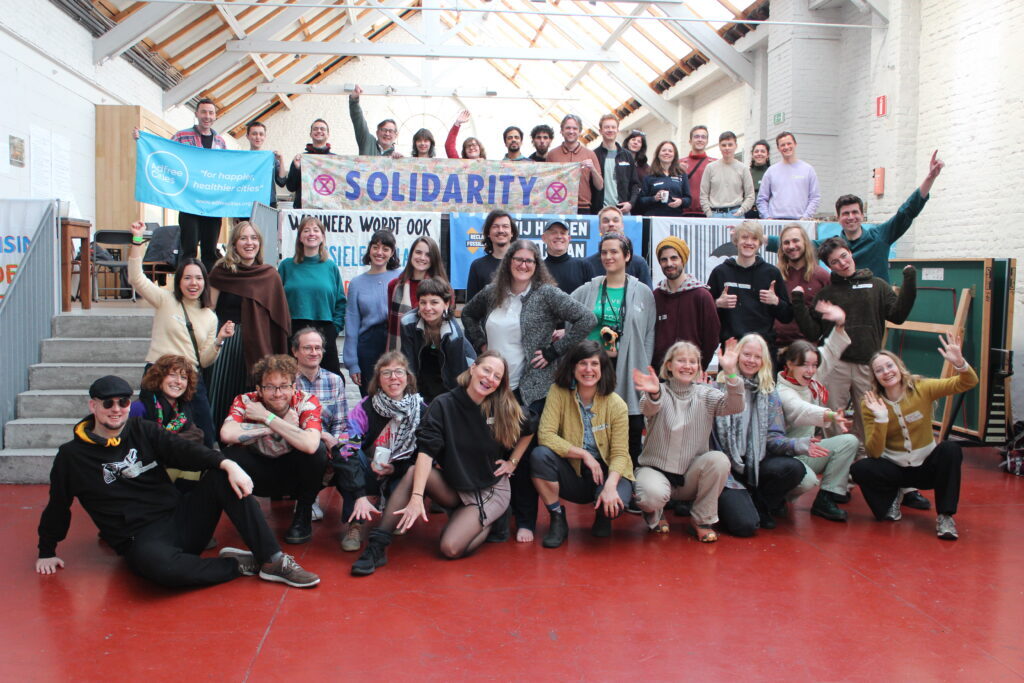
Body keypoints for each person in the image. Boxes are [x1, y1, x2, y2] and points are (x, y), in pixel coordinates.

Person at [36, 375, 319, 588]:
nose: (116, 409)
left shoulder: (141, 429)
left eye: (123, 402)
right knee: (162, 572)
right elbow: (58, 504)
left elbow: (183, 450)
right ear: (93, 405)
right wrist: (46, 551)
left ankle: (272, 559)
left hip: (180, 519)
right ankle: (237, 565)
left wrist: (227, 463)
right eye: (107, 403)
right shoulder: (72, 457)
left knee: (222, 475)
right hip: (141, 539)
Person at [462, 241, 596, 541]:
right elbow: (468, 314)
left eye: (530, 261)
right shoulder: (494, 292)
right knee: (492, 452)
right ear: (509, 261)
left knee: (521, 457)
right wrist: (480, 343)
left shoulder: (546, 294)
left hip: (530, 387)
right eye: (518, 259)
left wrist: (554, 351)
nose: (523, 265)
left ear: (537, 266)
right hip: (494, 387)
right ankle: (497, 517)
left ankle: (526, 521)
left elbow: (586, 319)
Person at [352, 352, 528, 574]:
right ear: (473, 368)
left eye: (497, 376)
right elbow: (426, 453)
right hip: (457, 486)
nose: (490, 378)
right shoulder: (443, 405)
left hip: (489, 489)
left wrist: (513, 462)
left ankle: (491, 524)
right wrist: (417, 497)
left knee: (450, 548)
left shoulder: (501, 406)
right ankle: (377, 545)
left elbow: (530, 427)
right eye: (486, 370)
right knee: (413, 472)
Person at [791, 238, 918, 482]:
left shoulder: (877, 286)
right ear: (829, 266)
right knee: (832, 419)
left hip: (868, 365)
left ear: (850, 253)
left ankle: (864, 469)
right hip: (835, 366)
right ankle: (838, 472)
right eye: (834, 262)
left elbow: (898, 315)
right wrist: (797, 303)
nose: (842, 263)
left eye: (844, 256)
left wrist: (910, 282)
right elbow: (812, 331)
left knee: (868, 418)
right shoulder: (826, 294)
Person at [853, 334, 978, 540]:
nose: (886, 372)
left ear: (899, 367)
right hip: (894, 470)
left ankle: (946, 516)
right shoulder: (870, 404)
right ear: (874, 377)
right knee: (861, 468)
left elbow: (968, 382)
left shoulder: (922, 387)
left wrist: (960, 363)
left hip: (926, 468)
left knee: (951, 449)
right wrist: (881, 419)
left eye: (889, 366)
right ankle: (891, 499)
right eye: (879, 370)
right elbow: (874, 452)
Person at [765, 151, 946, 283]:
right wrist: (761, 238)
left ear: (862, 215)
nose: (850, 217)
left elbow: (906, 212)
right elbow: (799, 246)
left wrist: (930, 178)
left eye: (854, 212)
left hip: (875, 310)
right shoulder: (831, 245)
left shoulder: (880, 236)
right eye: (845, 213)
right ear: (838, 218)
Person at [127, 221, 232, 447]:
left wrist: (219, 340)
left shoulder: (210, 316)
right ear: (179, 281)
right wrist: (136, 240)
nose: (193, 283)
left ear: (205, 282)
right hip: (159, 373)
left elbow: (204, 360)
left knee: (204, 433)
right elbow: (136, 278)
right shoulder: (165, 300)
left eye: (199, 278)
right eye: (187, 278)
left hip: (190, 378)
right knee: (155, 432)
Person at [632, 340, 743, 541]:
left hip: (690, 475)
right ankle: (654, 512)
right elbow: (648, 408)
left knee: (719, 460)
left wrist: (730, 373)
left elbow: (735, 406)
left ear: (699, 367)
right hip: (656, 471)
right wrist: (654, 393)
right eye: (681, 360)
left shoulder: (706, 394)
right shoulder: (658, 390)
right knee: (650, 497)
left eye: (693, 362)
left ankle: (701, 519)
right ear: (669, 365)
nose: (687, 366)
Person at [532, 341, 634, 547]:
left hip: (608, 473)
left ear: (603, 369)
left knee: (614, 505)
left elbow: (620, 454)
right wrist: (584, 454)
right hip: (574, 471)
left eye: (594, 364)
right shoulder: (558, 392)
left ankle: (603, 513)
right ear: (573, 367)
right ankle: (557, 519)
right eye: (583, 363)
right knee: (539, 456)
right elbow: (545, 435)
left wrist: (610, 486)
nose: (588, 370)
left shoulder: (617, 404)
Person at [219, 354, 328, 546]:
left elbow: (311, 444)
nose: (278, 393)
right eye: (270, 387)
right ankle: (248, 518)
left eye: (284, 386)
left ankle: (303, 515)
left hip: (294, 474)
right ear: (259, 389)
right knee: (228, 456)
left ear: (293, 387)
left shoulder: (306, 401)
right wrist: (271, 425)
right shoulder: (246, 401)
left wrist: (268, 418)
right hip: (258, 474)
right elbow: (226, 434)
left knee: (318, 452)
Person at [572, 233, 656, 465]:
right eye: (604, 252)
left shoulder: (643, 293)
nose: (608, 257)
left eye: (614, 252)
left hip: (628, 368)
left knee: (630, 426)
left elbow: (649, 334)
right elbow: (567, 311)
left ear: (627, 256)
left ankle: (627, 476)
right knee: (594, 424)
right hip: (593, 370)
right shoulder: (590, 289)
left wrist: (642, 367)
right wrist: (565, 337)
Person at [334, 351, 428, 557]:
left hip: (400, 472)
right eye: (386, 373)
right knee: (347, 455)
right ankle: (355, 522)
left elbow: (426, 452)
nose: (393, 378)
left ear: (408, 377)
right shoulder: (365, 407)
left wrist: (396, 468)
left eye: (399, 372)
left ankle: (396, 515)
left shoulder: (421, 410)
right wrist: (360, 494)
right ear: (378, 380)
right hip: (367, 470)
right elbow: (346, 445)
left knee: (416, 468)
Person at [714, 334, 808, 536]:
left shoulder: (769, 393)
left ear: (764, 361)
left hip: (755, 464)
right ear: (737, 356)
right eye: (747, 354)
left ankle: (761, 505)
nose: (751, 360)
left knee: (794, 469)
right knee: (745, 527)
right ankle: (736, 504)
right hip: (726, 468)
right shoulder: (717, 387)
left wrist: (801, 444)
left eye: (757, 357)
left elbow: (774, 437)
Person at [775, 305, 859, 522]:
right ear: (789, 364)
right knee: (808, 480)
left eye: (814, 365)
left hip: (808, 451)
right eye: (805, 365)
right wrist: (830, 415)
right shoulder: (781, 390)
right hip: (787, 456)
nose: (811, 371)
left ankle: (826, 498)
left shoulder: (811, 380)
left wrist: (839, 324)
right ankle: (777, 496)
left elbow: (830, 350)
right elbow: (800, 410)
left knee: (849, 441)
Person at [207, 221, 290, 428]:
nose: (249, 243)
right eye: (243, 238)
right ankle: (222, 436)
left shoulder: (269, 275)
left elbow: (279, 318)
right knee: (224, 392)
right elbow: (209, 310)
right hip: (229, 341)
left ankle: (255, 436)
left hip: (260, 341)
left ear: (259, 243)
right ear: (234, 244)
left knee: (256, 392)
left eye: (254, 238)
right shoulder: (221, 272)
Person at [158, 99, 226, 272]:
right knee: (188, 249)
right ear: (196, 114)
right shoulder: (182, 136)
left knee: (210, 251)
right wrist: (142, 139)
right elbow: (164, 152)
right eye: (204, 112)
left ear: (215, 116)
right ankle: (185, 284)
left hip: (212, 205)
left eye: (211, 113)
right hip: (189, 202)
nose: (207, 116)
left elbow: (225, 170)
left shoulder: (220, 142)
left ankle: (207, 286)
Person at [291, 327, 349, 525]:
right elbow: (289, 422)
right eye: (307, 348)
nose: (314, 352)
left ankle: (355, 511)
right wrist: (322, 436)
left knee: (353, 450)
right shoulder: (287, 381)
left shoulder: (335, 381)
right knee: (316, 449)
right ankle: (307, 500)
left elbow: (341, 422)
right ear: (295, 351)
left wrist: (337, 444)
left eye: (318, 348)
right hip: (297, 443)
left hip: (329, 442)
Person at [707, 220, 792, 354]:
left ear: (760, 243)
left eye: (754, 238)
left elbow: (787, 316)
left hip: (763, 349)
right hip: (731, 348)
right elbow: (704, 314)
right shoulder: (720, 272)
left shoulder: (771, 273)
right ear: (736, 241)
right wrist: (717, 304)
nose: (749, 242)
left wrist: (776, 301)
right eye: (744, 237)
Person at [278, 216, 346, 376]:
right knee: (291, 378)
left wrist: (334, 329)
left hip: (324, 329)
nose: (311, 234)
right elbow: (276, 300)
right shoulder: (286, 266)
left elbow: (341, 302)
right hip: (293, 329)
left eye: (316, 230)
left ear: (322, 237)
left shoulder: (330, 267)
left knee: (332, 377)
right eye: (306, 230)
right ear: (300, 237)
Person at [130, 355, 207, 486]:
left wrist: (165, 442)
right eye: (172, 375)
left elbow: (198, 436)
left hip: (175, 465)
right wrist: (174, 442)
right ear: (159, 377)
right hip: (144, 472)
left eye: (184, 377)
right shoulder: (140, 407)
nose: (178, 382)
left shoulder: (183, 409)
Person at [400, 277, 476, 404]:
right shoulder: (407, 323)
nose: (428, 308)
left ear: (446, 304)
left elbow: (457, 375)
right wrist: (411, 399)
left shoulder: (454, 334)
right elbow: (409, 364)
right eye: (423, 302)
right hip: (424, 374)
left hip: (449, 377)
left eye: (434, 302)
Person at [343, 230, 402, 397]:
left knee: (396, 395)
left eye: (385, 249)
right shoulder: (357, 283)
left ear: (392, 253)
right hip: (368, 345)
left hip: (396, 340)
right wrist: (352, 363)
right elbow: (352, 323)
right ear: (369, 249)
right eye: (375, 247)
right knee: (371, 397)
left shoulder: (401, 277)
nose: (379, 252)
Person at [651, 236, 719, 372]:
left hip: (691, 373)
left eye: (674, 258)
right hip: (661, 375)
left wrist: (699, 368)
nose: (669, 263)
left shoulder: (702, 296)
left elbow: (711, 338)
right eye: (664, 259)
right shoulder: (656, 296)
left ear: (683, 260)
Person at [773, 223, 830, 351]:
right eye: (786, 242)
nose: (791, 246)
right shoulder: (775, 275)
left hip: (808, 350)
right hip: (776, 347)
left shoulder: (822, 276)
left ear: (805, 243)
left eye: (795, 241)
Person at [386, 235, 448, 352]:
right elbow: (391, 322)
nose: (422, 258)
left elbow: (448, 322)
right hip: (399, 351)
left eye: (428, 254)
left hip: (431, 353)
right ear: (411, 255)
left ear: (434, 258)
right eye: (418, 252)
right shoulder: (394, 286)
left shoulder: (443, 287)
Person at [545, 114, 604, 214]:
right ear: (561, 131)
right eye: (568, 128)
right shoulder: (552, 154)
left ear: (580, 131)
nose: (571, 131)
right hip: (558, 206)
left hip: (582, 207)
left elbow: (600, 186)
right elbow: (546, 183)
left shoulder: (590, 154)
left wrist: (593, 169)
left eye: (575, 128)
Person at [755, 131, 820, 220]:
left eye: (789, 143)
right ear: (778, 148)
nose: (786, 147)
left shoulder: (808, 170)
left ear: (795, 144)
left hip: (800, 222)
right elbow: (762, 199)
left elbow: (814, 198)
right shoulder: (771, 171)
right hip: (776, 221)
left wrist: (805, 217)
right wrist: (767, 217)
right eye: (782, 145)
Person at [585, 206, 653, 288]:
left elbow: (647, 294)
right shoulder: (587, 264)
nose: (611, 224)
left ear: (622, 226)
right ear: (599, 228)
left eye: (615, 220)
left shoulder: (639, 263)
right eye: (606, 221)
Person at [700, 131, 755, 218]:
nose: (727, 148)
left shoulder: (743, 168)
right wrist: (709, 213)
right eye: (724, 145)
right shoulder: (710, 168)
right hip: (715, 214)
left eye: (730, 145)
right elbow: (703, 194)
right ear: (719, 146)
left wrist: (741, 211)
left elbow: (750, 195)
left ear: (736, 146)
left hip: (736, 214)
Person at [465, 210, 518, 300]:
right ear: (488, 233)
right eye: (495, 226)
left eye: (505, 226)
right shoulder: (477, 266)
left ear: (512, 233)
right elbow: (471, 305)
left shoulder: (523, 264)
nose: (500, 230)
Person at [592, 114, 640, 214]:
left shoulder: (627, 156)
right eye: (606, 127)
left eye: (613, 127)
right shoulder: (594, 155)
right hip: (600, 212)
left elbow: (635, 184)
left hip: (622, 211)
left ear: (617, 130)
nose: (610, 130)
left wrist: (631, 203)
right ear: (600, 131)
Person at [285, 118, 334, 210]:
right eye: (315, 129)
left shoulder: (335, 160)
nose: (319, 131)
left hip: (328, 211)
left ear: (328, 134)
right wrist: (297, 169)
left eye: (322, 129)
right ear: (310, 134)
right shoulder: (300, 159)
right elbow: (291, 187)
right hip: (304, 210)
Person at [636, 141, 690, 218]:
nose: (667, 153)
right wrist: (654, 198)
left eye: (670, 151)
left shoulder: (681, 174)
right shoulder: (649, 175)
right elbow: (641, 200)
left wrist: (681, 201)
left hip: (675, 218)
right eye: (664, 150)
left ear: (674, 155)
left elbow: (688, 199)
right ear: (658, 154)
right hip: (654, 218)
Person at [244, 121, 288, 209]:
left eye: (261, 134)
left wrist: (281, 159)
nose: (258, 137)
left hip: (268, 202)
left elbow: (281, 182)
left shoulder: (271, 158)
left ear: (265, 137)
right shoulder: (243, 159)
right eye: (254, 134)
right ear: (247, 136)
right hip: (247, 202)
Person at [541, 219, 593, 295]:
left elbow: (592, 296)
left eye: (563, 233)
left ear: (569, 238)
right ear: (544, 238)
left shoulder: (584, 266)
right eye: (553, 233)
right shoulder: (538, 269)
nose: (559, 236)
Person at [349, 84, 399, 156]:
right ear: (377, 132)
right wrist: (354, 100)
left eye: (391, 131)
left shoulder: (396, 157)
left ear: (396, 135)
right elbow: (358, 121)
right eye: (384, 130)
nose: (387, 134)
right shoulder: (367, 142)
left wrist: (399, 159)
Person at [681, 125, 716, 218]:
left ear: (707, 141)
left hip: (707, 213)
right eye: (696, 136)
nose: (700, 139)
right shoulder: (679, 164)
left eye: (703, 137)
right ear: (690, 141)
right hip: (683, 213)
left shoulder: (715, 164)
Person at [745, 139, 771, 218]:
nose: (759, 154)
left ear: (768, 155)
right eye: (756, 151)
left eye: (762, 151)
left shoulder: (772, 173)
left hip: (768, 214)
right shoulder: (746, 173)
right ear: (752, 155)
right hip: (748, 213)